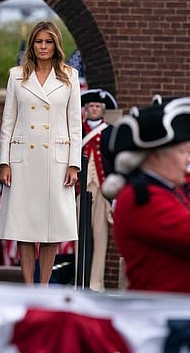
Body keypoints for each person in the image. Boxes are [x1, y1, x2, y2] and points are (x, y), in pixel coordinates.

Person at [102, 97, 190, 295]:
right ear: (155, 156)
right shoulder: (143, 198)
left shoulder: (167, 188)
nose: (188, 160)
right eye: (182, 152)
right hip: (161, 314)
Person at [0, 20, 82, 285]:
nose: (43, 47)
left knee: (51, 227)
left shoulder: (70, 76)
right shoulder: (16, 75)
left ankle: (43, 285)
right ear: (32, 44)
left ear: (56, 45)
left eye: (49, 42)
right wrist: (4, 162)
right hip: (23, 161)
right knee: (23, 224)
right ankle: (28, 285)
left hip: (56, 161)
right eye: (39, 41)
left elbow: (74, 123)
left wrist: (74, 164)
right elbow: (8, 120)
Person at [79, 88, 117, 291]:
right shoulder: (78, 130)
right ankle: (80, 278)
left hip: (102, 189)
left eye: (97, 106)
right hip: (79, 189)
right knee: (79, 236)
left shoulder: (110, 131)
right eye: (91, 106)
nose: (94, 109)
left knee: (100, 237)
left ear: (102, 110)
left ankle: (95, 282)